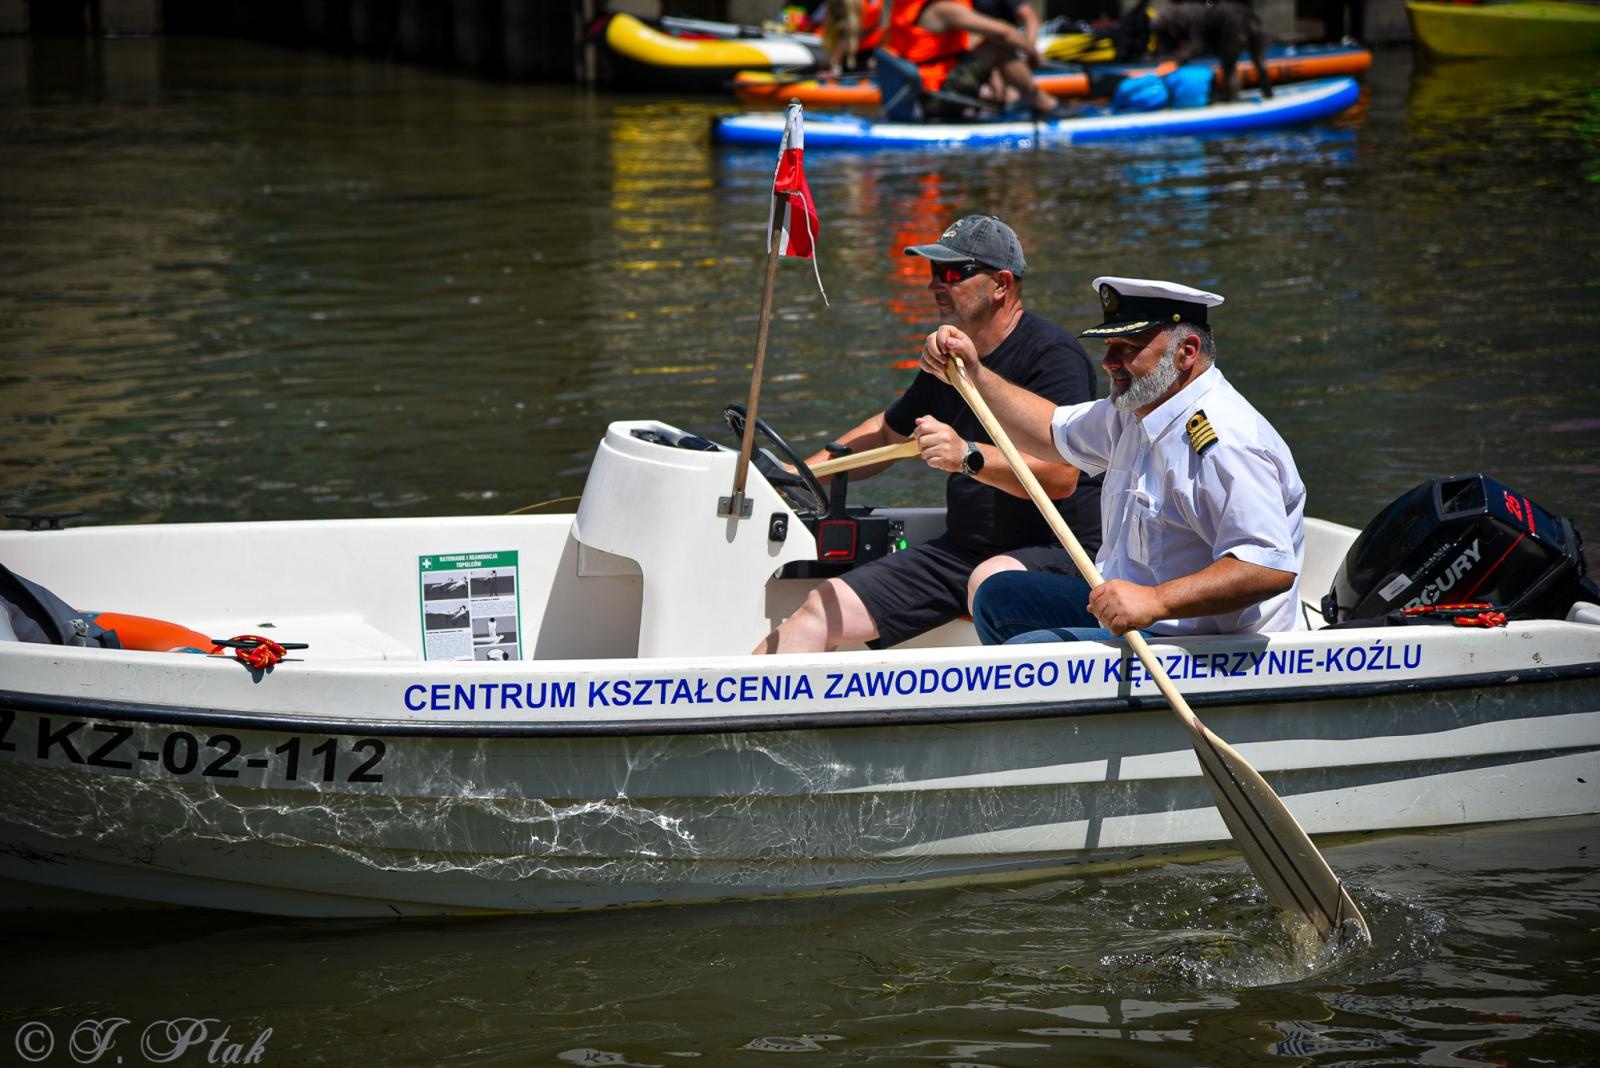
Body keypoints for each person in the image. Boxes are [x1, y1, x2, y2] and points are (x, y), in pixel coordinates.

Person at [753, 215, 1102, 655]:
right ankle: (736, 722)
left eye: (954, 273)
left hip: (1057, 556)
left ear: (1002, 284)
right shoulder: (948, 359)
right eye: (934, 272)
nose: (936, 284)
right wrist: (793, 474)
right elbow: (885, 433)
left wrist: (967, 457)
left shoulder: (1054, 357)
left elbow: (1061, 477)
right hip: (962, 554)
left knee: (991, 580)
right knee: (820, 610)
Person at [918, 276, 1305, 643]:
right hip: (1132, 616)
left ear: (1186, 352)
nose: (1109, 361)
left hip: (1205, 644)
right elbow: (1049, 430)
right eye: (1108, 346)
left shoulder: (1227, 439)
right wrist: (975, 374)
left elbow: (1267, 567)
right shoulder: (1138, 409)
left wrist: (1156, 601)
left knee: (1035, 651)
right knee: (998, 596)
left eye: (1129, 347)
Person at [887, 0, 1063, 117]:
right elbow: (1003, 32)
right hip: (933, 98)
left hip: (917, 95)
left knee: (986, 47)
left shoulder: (910, 9)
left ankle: (1004, 100)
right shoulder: (943, 10)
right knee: (997, 49)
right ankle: (1043, 103)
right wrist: (1032, 53)